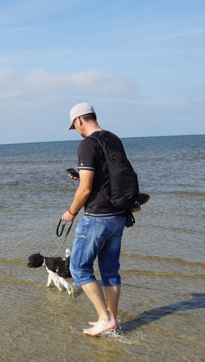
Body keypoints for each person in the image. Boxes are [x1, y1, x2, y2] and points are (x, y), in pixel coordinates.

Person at [62, 102, 145, 336]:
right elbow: (110, 174)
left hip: (98, 217)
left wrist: (71, 211)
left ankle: (104, 318)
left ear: (78, 120)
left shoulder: (87, 144)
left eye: (74, 126)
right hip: (119, 214)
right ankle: (112, 320)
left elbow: (85, 190)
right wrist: (83, 176)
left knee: (79, 267)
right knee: (110, 270)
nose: (77, 131)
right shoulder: (113, 138)